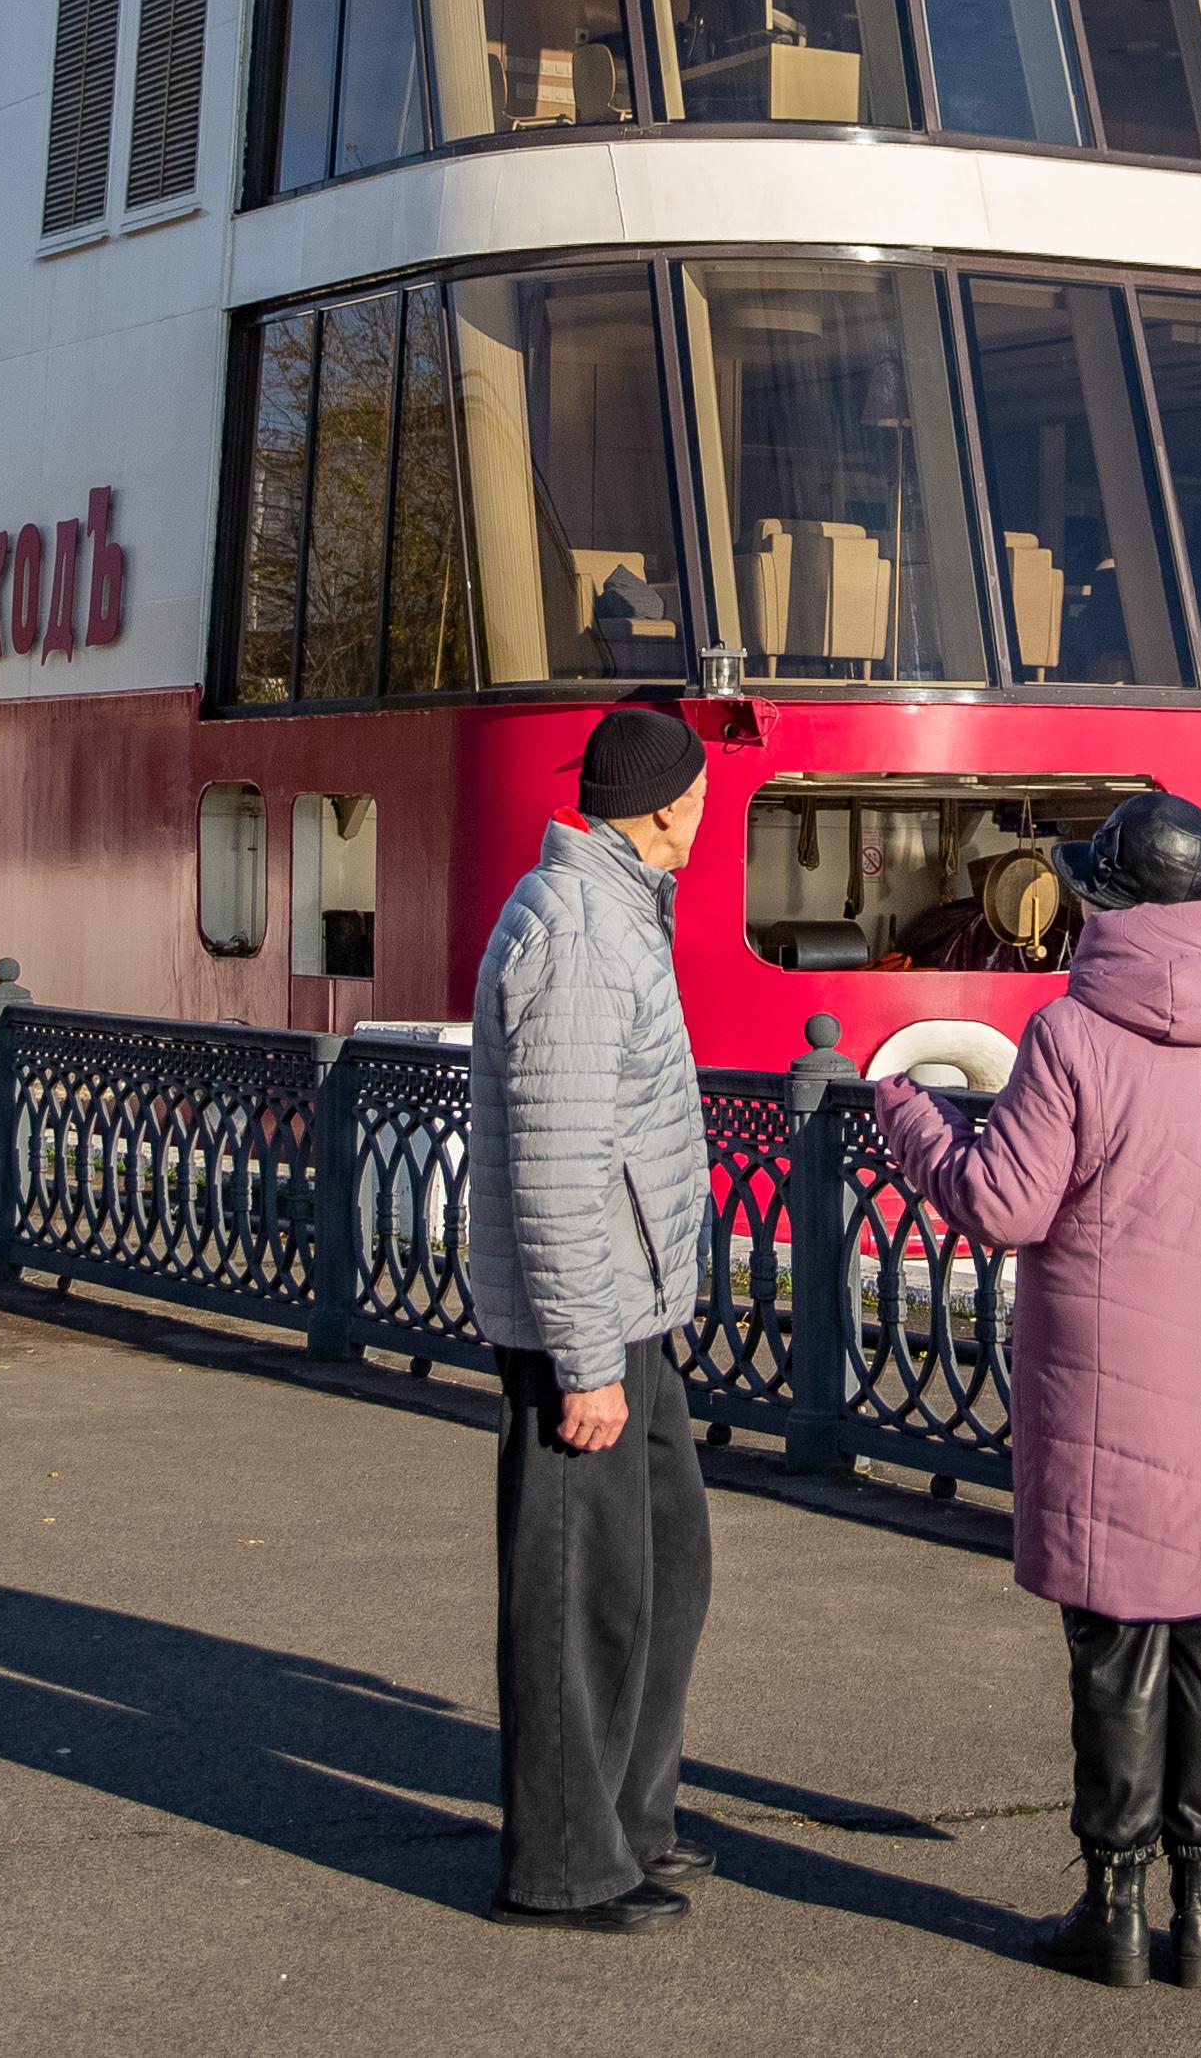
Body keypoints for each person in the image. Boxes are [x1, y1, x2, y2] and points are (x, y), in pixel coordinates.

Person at [866, 789, 1201, 1989]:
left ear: (1113, 898)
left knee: (1115, 1649)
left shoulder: (1071, 1036)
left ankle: (1113, 1908)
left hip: (1106, 1391)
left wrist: (909, 1119)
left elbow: (1002, 1205)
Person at [465, 696, 719, 1932]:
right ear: (672, 806)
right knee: (582, 1594)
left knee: (663, 1568)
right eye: (703, 789)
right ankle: (566, 1863)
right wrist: (582, 1363)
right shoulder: (576, 931)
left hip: (633, 1312)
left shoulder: (616, 910)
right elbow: (559, 1166)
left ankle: (632, 1818)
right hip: (590, 1326)